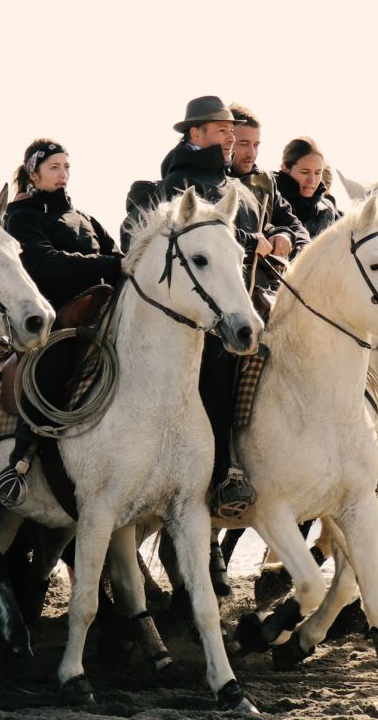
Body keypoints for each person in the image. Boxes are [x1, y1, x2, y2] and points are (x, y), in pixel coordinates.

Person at [125, 96, 310, 518]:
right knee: (217, 374)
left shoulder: (237, 186)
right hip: (198, 316)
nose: (231, 137)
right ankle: (222, 473)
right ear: (196, 133)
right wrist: (252, 241)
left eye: (232, 131)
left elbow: (264, 228)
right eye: (223, 130)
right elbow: (196, 242)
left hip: (241, 302)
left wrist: (281, 235)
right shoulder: (180, 182)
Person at [0, 139, 122, 507]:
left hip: (100, 313)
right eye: (54, 168)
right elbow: (45, 262)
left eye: (66, 167)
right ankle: (19, 460)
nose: (63, 174)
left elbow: (117, 256)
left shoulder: (86, 217)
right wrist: (111, 266)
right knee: (56, 358)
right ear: (33, 174)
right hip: (52, 315)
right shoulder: (22, 216)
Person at [274, 137, 342, 239]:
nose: (312, 181)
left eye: (317, 173)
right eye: (305, 172)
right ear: (285, 168)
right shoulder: (269, 203)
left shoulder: (327, 211)